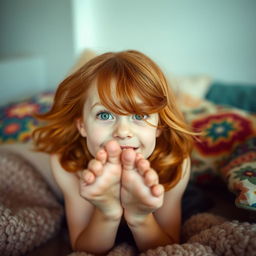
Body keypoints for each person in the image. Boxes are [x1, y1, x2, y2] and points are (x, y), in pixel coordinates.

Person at [33, 50, 194, 255]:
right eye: (105, 114)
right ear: (82, 126)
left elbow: (169, 247)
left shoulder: (175, 162)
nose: (123, 132)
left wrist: (140, 218)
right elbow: (82, 247)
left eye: (139, 115)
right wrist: (106, 212)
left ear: (159, 127)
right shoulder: (67, 161)